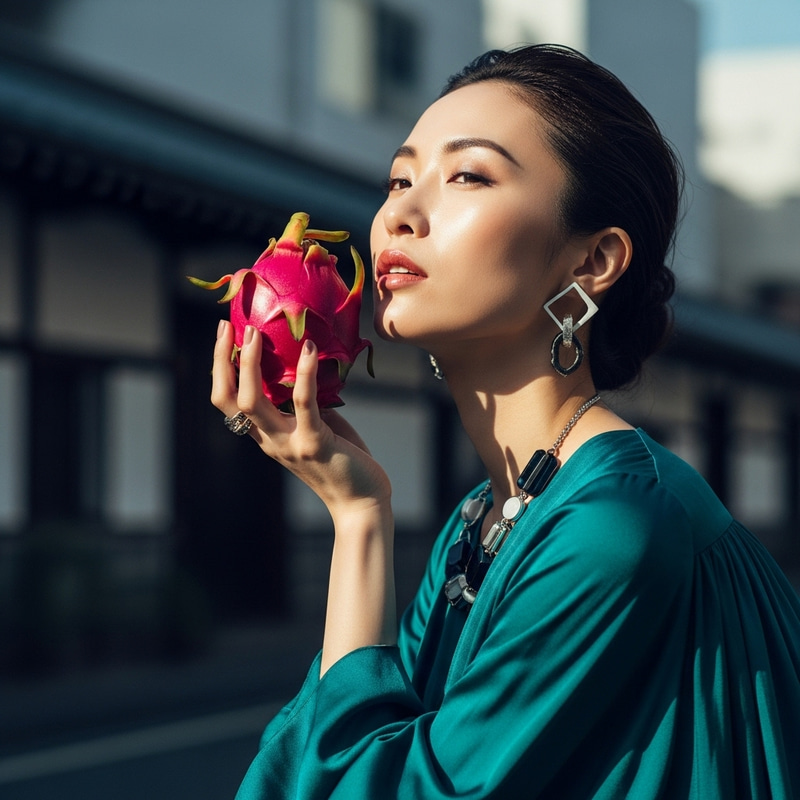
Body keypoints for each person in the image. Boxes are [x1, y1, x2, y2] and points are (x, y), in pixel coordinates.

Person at [212, 45, 800, 799]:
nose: (400, 213)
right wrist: (362, 507)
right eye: (399, 178)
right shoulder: (486, 516)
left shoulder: (614, 527)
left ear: (593, 261)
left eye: (468, 175)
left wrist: (359, 522)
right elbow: (335, 760)